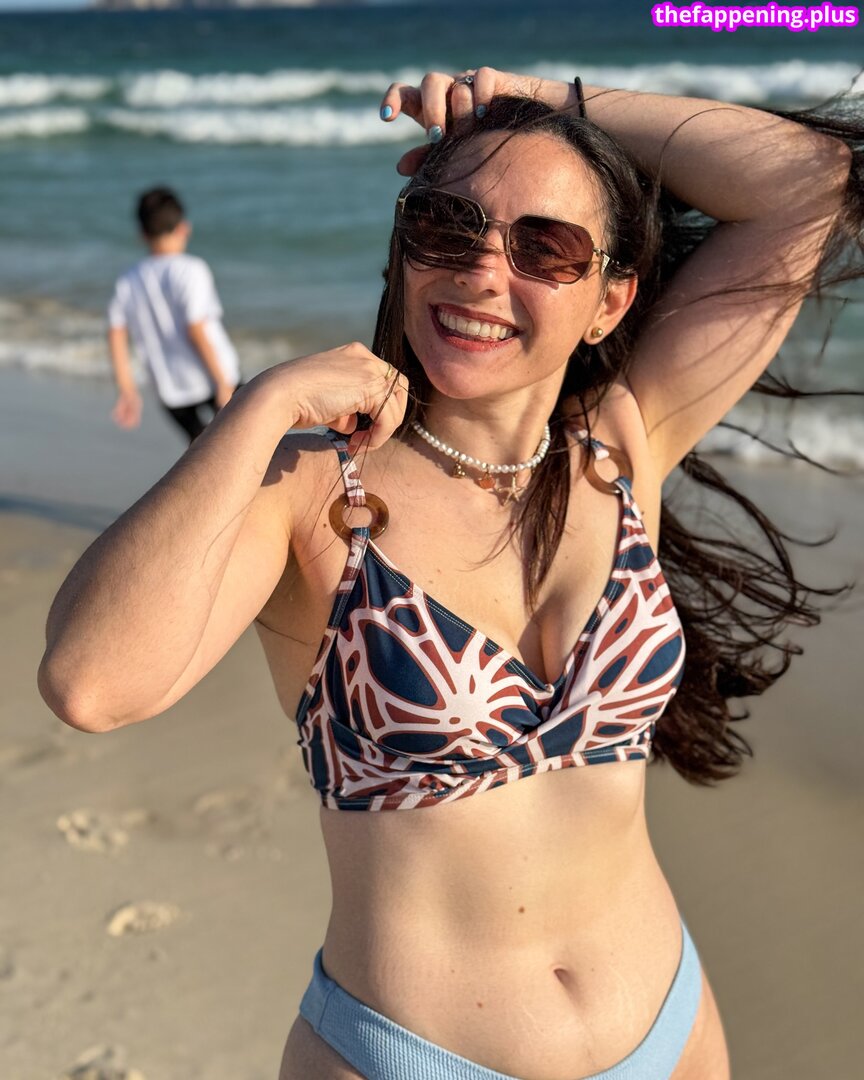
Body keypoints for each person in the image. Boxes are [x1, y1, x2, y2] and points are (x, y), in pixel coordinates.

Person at [39, 68, 863, 1080]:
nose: (480, 272)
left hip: (672, 1030)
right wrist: (260, 408)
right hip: (412, 1058)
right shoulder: (314, 493)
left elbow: (808, 182)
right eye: (446, 225)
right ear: (404, 249)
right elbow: (91, 683)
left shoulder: (620, 444)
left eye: (545, 247)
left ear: (609, 301)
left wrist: (544, 101)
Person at [107, 186, 241, 443]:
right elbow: (196, 328)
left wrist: (127, 390)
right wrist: (222, 382)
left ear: (142, 235)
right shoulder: (191, 269)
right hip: (213, 379)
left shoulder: (128, 280)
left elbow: (116, 333)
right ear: (184, 228)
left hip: (171, 389)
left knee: (203, 453)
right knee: (249, 445)